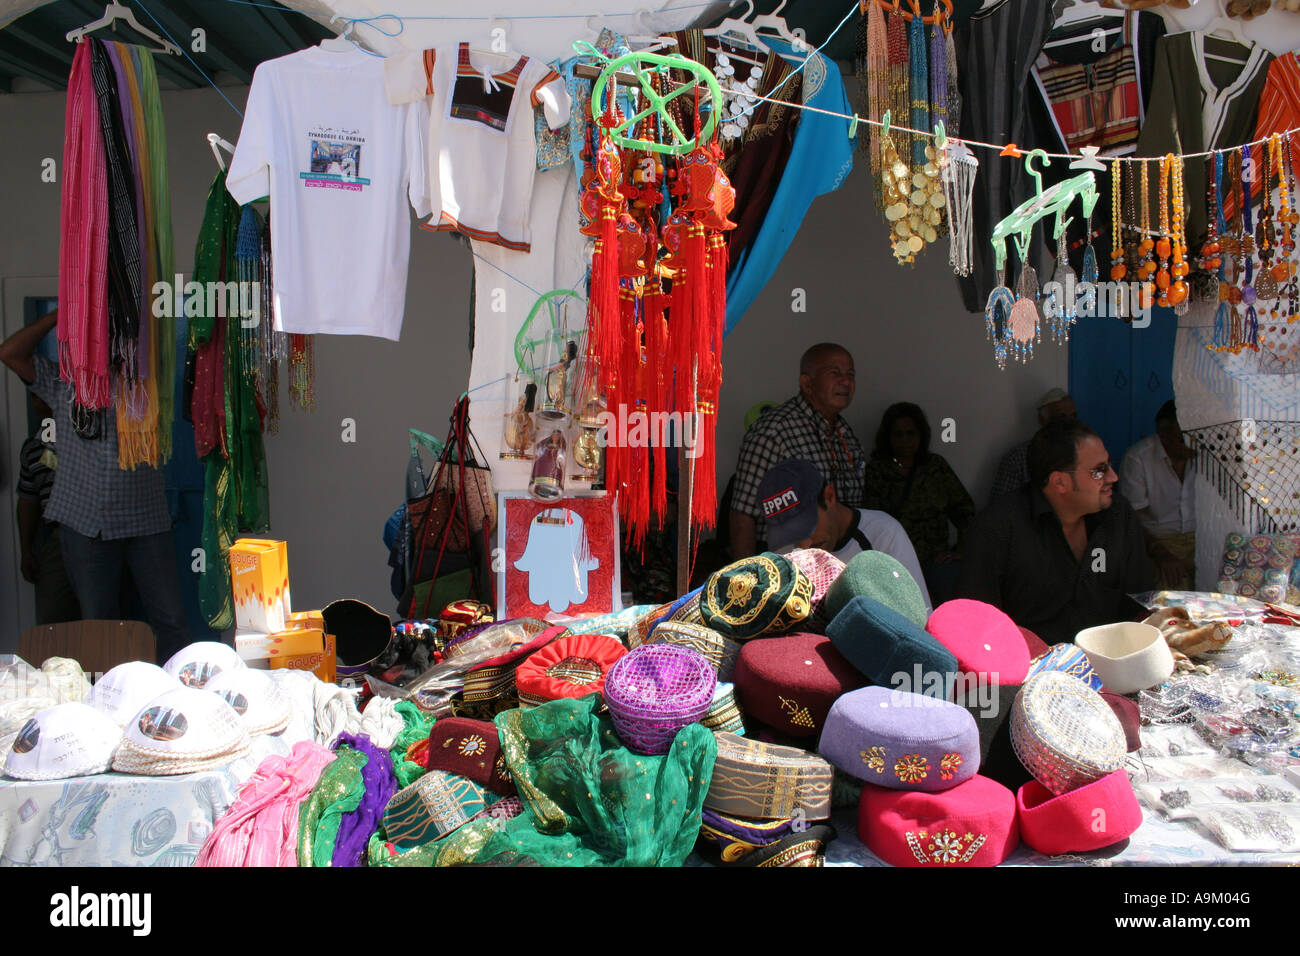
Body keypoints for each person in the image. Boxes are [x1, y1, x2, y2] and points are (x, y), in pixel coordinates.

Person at [0, 310, 191, 662]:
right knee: (101, 628)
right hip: (86, 524)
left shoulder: (145, 381)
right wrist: (61, 314)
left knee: (171, 622)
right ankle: (110, 702)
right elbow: (9, 352)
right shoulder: (62, 385)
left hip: (146, 521)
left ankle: (179, 699)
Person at [958, 419, 1155, 645]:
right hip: (1031, 671)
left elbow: (1141, 603)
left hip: (1112, 665)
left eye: (1109, 465)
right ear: (1059, 482)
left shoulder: (1118, 515)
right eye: (1099, 471)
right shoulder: (997, 527)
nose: (1113, 477)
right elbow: (977, 624)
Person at [729, 344, 866, 559]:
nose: (846, 382)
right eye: (835, 373)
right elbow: (743, 515)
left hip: (840, 563)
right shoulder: (774, 432)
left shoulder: (845, 433)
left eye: (850, 374)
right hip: (785, 567)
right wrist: (750, 584)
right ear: (807, 383)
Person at [757, 458, 931, 610]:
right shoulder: (784, 552)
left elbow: (919, 620)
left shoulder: (884, 534)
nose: (804, 545)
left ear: (830, 497)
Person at [862, 402, 975, 605]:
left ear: (921, 435)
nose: (905, 440)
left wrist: (960, 551)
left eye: (911, 433)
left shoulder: (935, 467)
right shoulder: (877, 471)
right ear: (888, 437)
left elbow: (965, 510)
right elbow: (871, 521)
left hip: (937, 562)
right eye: (898, 434)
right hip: (896, 564)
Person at [17, 395, 81, 625]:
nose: (39, 403)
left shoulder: (84, 434)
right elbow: (27, 501)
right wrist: (26, 550)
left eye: (44, 396)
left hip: (92, 533)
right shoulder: (32, 448)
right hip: (56, 535)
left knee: (99, 612)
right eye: (34, 398)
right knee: (53, 615)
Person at [1120, 400, 1196, 590]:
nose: (1191, 445)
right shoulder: (1138, 459)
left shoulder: (1203, 455)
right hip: (1159, 541)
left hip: (1199, 540)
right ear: (1163, 437)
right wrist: (1160, 553)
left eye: (1194, 437)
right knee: (1174, 603)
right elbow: (1131, 519)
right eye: (1182, 439)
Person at [988, 388, 1077, 502]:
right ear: (1042, 419)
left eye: (1073, 416)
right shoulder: (1018, 459)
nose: (1070, 423)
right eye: (1062, 416)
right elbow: (1000, 509)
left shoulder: (1083, 453)